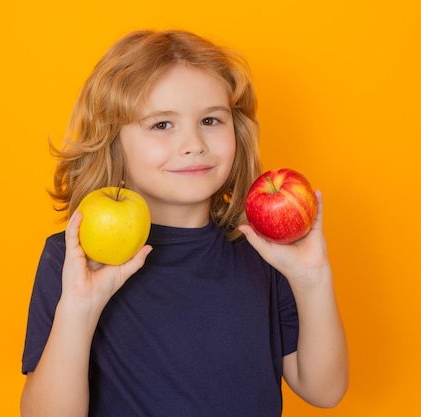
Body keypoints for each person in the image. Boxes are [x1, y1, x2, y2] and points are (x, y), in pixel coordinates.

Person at [20, 30, 348, 417]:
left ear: (237, 133)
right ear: (114, 142)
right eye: (162, 125)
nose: (194, 143)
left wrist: (312, 278)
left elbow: (324, 391)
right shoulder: (75, 258)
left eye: (211, 119)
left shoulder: (263, 252)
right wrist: (81, 307)